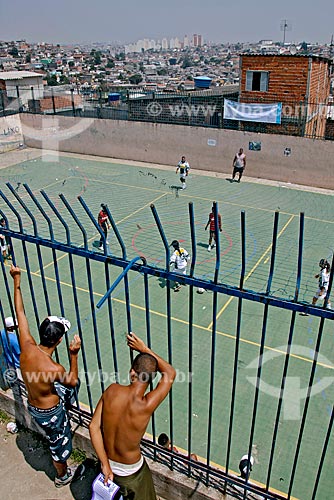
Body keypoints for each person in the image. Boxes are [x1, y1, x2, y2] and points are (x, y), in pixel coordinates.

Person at [9, 264, 85, 488]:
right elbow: (71, 380)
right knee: (58, 444)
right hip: (50, 412)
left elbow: (19, 312)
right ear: (59, 340)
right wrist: (74, 355)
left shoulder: (27, 345)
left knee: (62, 392)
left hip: (33, 404)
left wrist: (16, 281)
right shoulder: (55, 369)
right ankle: (62, 475)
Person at [89, 332, 176, 500]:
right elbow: (170, 373)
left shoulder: (111, 391)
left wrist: (105, 464)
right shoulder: (146, 405)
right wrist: (145, 349)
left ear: (132, 372)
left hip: (108, 466)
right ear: (150, 380)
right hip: (132, 473)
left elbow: (93, 427)